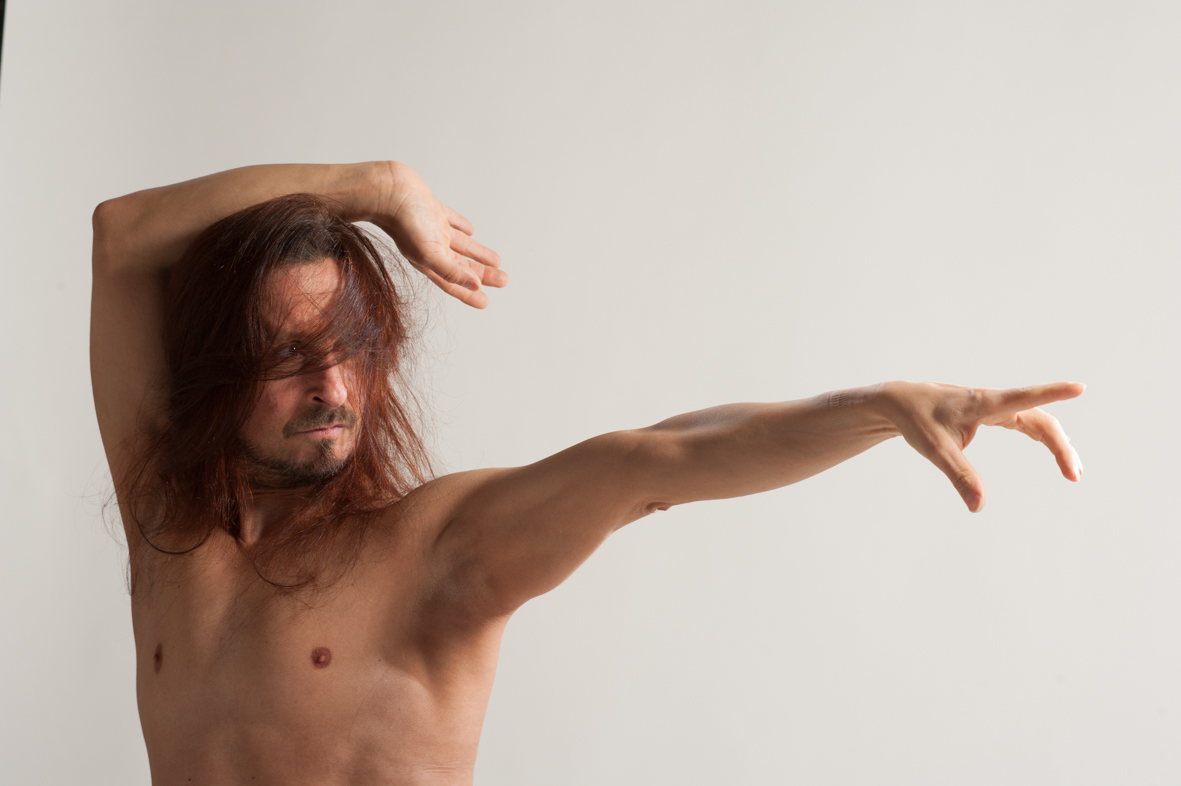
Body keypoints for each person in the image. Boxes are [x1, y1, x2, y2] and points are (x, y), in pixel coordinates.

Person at [90, 161, 1084, 785]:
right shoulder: (165, 522)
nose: (331, 384)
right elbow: (121, 236)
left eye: (350, 347)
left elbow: (654, 458)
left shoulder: (430, 550)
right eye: (287, 353)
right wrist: (370, 189)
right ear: (215, 372)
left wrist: (872, 407)